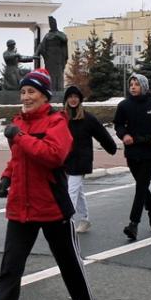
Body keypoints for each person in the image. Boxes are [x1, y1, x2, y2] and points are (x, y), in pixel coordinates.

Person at [0, 68, 94, 300]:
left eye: (32, 92)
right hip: (21, 208)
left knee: (68, 262)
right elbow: (18, 160)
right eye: (23, 92)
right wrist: (6, 177)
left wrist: (19, 138)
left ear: (44, 96)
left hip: (52, 207)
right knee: (9, 271)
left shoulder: (57, 123)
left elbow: (53, 156)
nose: (26, 97)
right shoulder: (20, 122)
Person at [113, 73, 151, 241]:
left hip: (149, 151)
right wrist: (123, 135)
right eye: (131, 84)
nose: (132, 86)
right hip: (132, 150)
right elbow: (118, 124)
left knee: (140, 187)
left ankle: (133, 224)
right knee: (142, 185)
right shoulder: (124, 105)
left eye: (136, 84)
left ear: (144, 86)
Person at [63, 84, 117, 233]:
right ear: (66, 99)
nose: (73, 100)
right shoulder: (61, 118)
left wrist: (111, 148)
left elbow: (102, 134)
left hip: (81, 160)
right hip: (66, 159)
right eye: (70, 97)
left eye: (76, 97)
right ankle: (85, 219)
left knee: (71, 191)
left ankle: (67, 222)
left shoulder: (88, 118)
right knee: (77, 191)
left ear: (80, 100)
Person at [38, 16, 69, 93]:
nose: (52, 25)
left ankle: (59, 89)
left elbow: (64, 39)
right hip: (49, 57)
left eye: (53, 23)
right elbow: (41, 45)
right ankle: (51, 89)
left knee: (59, 73)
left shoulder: (60, 33)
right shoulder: (47, 35)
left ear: (55, 24)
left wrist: (57, 35)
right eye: (50, 24)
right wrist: (36, 53)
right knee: (50, 73)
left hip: (58, 57)